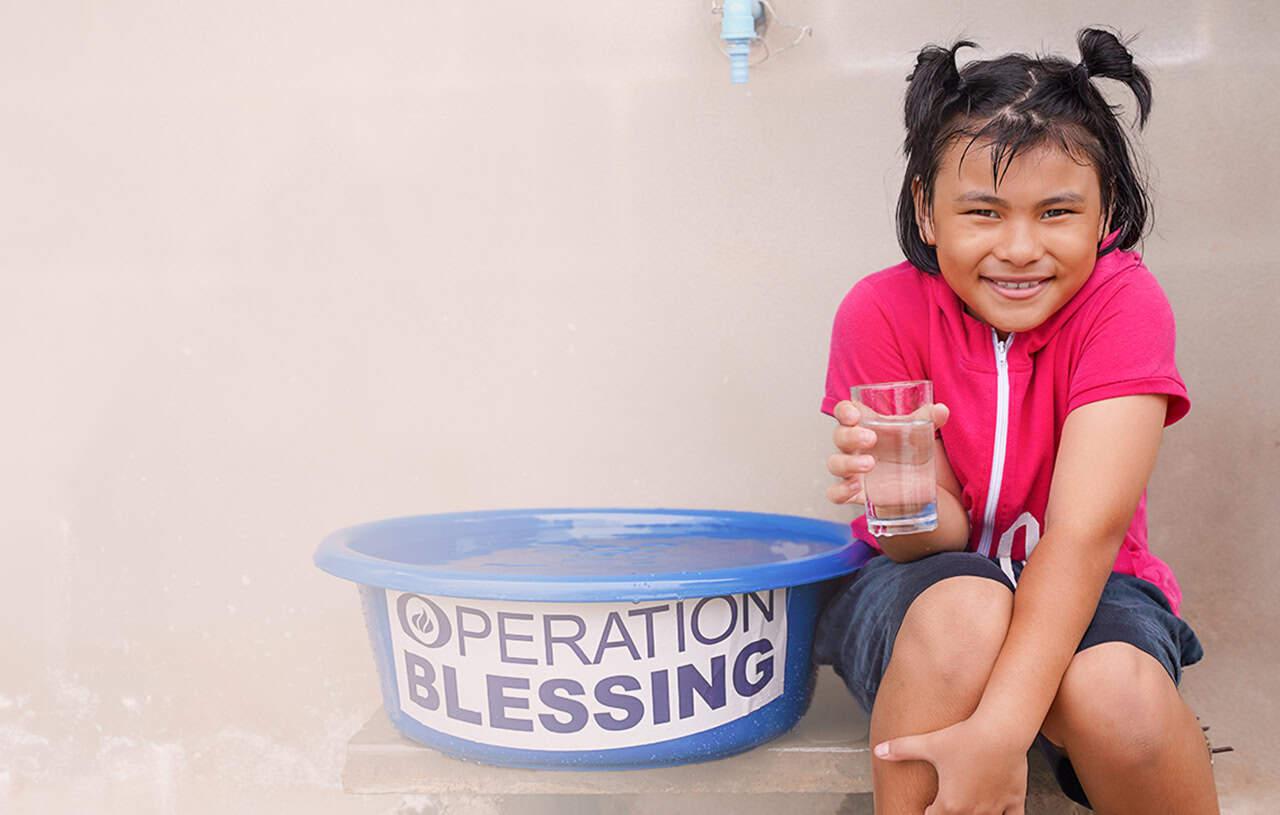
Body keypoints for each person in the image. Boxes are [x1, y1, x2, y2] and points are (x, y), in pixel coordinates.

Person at [813, 26, 1218, 814]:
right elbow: (937, 541)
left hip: (1095, 583)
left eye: (1057, 210)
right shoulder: (882, 310)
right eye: (985, 212)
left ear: (1105, 215)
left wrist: (1000, 731)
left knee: (1118, 693)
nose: (1021, 248)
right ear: (929, 212)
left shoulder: (1123, 304)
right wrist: (895, 486)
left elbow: (1086, 535)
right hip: (925, 594)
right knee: (966, 608)